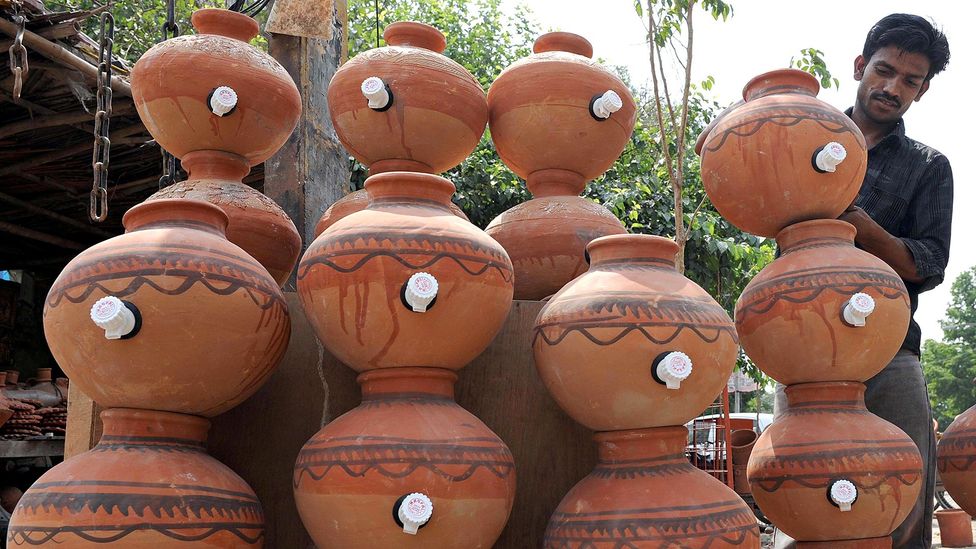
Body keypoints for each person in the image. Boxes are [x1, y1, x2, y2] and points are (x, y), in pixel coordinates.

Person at [773, 13, 952, 549]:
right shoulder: (800, 141)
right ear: (860, 66)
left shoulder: (928, 166)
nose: (893, 87)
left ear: (922, 92)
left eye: (910, 81)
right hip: (802, 347)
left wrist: (864, 229)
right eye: (885, 70)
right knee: (800, 491)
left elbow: (931, 264)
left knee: (901, 494)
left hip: (889, 350)